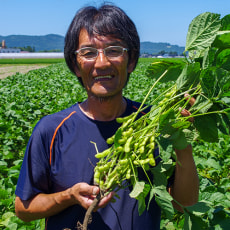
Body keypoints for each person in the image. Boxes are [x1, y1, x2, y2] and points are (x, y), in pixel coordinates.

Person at [15, 4, 199, 230]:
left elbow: (185, 204)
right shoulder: (51, 130)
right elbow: (23, 209)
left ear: (131, 61)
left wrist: (182, 142)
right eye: (89, 52)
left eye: (114, 50)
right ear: (75, 65)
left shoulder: (155, 124)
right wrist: (68, 196)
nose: (101, 62)